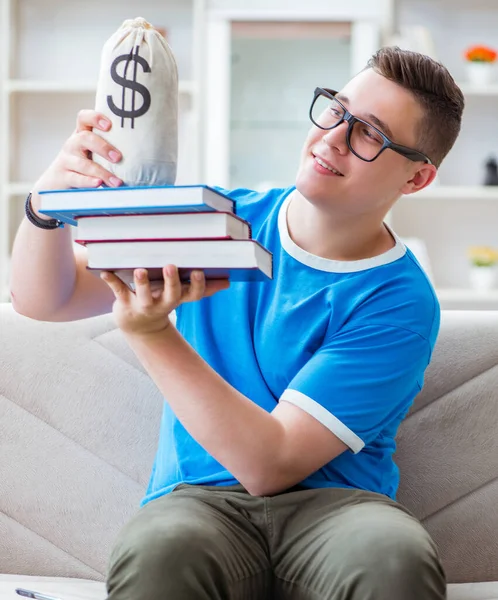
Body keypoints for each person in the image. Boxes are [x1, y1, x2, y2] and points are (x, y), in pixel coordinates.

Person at [10, 46, 464, 600]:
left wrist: (153, 334)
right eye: (335, 110)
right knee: (160, 549)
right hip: (198, 501)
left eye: (368, 133)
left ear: (417, 178)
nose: (332, 138)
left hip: (339, 511)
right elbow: (44, 300)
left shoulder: (399, 300)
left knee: (394, 557)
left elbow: (271, 464)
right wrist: (45, 202)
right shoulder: (215, 220)